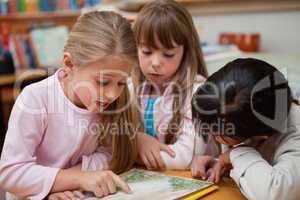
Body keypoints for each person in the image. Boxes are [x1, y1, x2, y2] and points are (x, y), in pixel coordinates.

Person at [0, 11, 140, 200]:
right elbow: (9, 173)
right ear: (69, 64)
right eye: (103, 82)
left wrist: (73, 180)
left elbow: (110, 154)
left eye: (121, 83)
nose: (113, 94)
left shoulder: (109, 103)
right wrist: (73, 179)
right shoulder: (35, 99)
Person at [191, 58, 300, 200]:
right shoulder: (245, 118)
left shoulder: (295, 133)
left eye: (219, 133)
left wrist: (236, 154)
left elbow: (278, 194)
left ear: (262, 136)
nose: (212, 135)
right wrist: (221, 162)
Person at [132, 0, 208, 170]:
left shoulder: (198, 92)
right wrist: (136, 140)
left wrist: (131, 151)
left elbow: (186, 158)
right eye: (147, 52)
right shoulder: (129, 86)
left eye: (168, 54)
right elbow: (105, 140)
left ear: (186, 52)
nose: (156, 62)